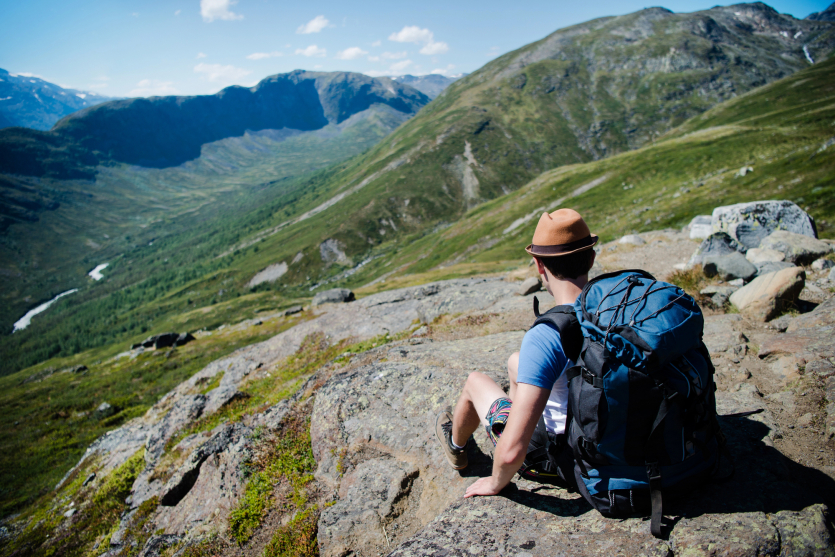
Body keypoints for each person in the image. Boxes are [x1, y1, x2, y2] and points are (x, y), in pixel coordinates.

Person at [434, 208, 597, 498]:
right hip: (611, 442)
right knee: (516, 362)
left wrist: (495, 482)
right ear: (591, 257)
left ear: (539, 266)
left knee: (475, 382)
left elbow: (510, 456)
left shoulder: (548, 334)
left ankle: (456, 447)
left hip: (562, 460)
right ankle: (524, 408)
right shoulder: (613, 310)